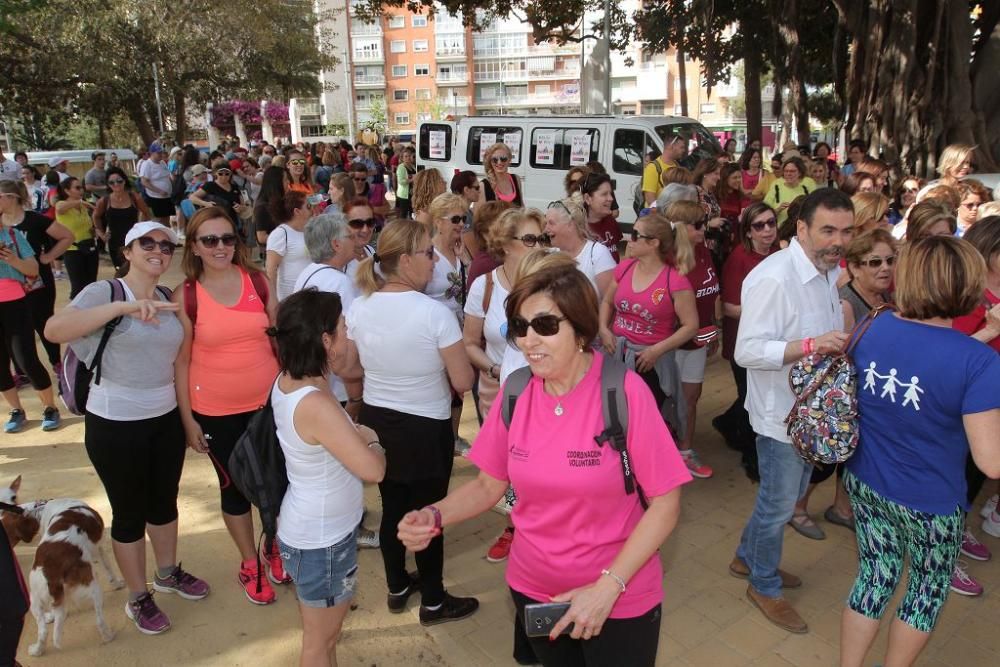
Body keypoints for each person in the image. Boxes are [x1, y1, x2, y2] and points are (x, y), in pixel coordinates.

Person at [398, 261, 692, 666]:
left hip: (618, 595)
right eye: (520, 327)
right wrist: (433, 515)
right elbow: (488, 485)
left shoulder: (623, 393)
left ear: (582, 330)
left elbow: (665, 503)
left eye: (546, 326)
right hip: (534, 589)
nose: (529, 340)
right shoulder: (516, 393)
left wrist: (606, 589)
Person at [840, 236, 1000, 667]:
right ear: (968, 284)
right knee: (925, 591)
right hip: (931, 500)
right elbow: (991, 462)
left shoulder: (873, 325)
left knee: (874, 577)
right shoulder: (979, 362)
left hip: (866, 480)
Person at [45, 222, 210, 636]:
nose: (158, 250)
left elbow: (178, 366)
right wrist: (125, 308)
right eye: (147, 244)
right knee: (130, 513)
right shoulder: (106, 293)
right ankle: (138, 597)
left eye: (165, 245)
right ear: (128, 250)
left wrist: (188, 422)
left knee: (164, 502)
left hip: (164, 419)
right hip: (115, 423)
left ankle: (168, 573)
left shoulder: (167, 298)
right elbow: (54, 330)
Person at [733, 188, 855, 633]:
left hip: (811, 413)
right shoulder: (773, 278)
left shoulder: (826, 269)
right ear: (801, 228)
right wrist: (811, 345)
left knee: (781, 498)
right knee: (779, 503)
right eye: (827, 230)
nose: (837, 241)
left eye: (845, 231)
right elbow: (746, 350)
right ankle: (763, 584)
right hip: (779, 415)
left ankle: (747, 559)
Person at [346, 219, 477, 627]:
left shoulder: (360, 305)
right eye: (427, 252)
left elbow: (351, 367)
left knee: (392, 509)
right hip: (425, 426)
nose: (434, 259)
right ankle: (435, 602)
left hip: (377, 422)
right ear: (405, 260)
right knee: (428, 516)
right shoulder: (434, 314)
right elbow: (463, 381)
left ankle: (397, 585)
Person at [172, 208, 284, 606]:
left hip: (268, 405)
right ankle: (249, 562)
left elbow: (279, 338)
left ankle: (274, 547)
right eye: (210, 240)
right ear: (194, 247)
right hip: (215, 410)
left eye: (228, 238)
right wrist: (187, 421)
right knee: (234, 488)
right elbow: (181, 362)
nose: (221, 247)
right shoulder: (185, 295)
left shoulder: (258, 281)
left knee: (277, 481)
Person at [269, 289, 386, 667]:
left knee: (326, 639)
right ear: (325, 340)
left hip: (315, 531)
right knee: (320, 642)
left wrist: (353, 432)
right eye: (342, 328)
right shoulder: (315, 402)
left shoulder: (291, 380)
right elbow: (373, 470)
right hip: (323, 542)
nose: (347, 336)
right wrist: (372, 439)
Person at [463, 208, 548, 563]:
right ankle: (516, 527)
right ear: (505, 244)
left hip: (547, 396)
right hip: (499, 395)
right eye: (529, 239)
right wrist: (497, 370)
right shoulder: (485, 287)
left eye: (542, 239)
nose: (538, 246)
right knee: (509, 470)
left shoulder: (551, 284)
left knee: (543, 469)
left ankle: (541, 529)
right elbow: (469, 342)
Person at [598, 207, 700, 464]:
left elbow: (691, 326)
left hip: (649, 363)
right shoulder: (625, 267)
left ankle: (644, 470)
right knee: (611, 414)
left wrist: (656, 350)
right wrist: (603, 329)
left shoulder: (674, 281)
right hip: (615, 354)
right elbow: (608, 302)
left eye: (635, 234)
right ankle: (616, 466)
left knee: (643, 423)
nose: (629, 239)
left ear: (653, 243)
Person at [951, 217, 1000, 594]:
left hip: (993, 397)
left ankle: (959, 525)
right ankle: (942, 554)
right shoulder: (964, 294)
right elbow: (949, 358)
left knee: (975, 477)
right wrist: (990, 328)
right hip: (965, 402)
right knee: (959, 472)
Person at [714, 203, 780, 478]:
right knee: (751, 397)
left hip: (772, 339)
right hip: (744, 339)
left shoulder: (779, 254)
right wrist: (765, 310)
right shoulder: (739, 258)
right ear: (748, 232)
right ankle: (752, 458)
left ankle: (726, 422)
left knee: (754, 395)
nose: (767, 230)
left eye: (771, 223)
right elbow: (728, 307)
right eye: (759, 225)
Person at [0, 183, 63, 433]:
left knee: (26, 359)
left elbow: (34, 269)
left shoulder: (12, 236)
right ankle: (16, 410)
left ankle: (50, 407)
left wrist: (13, 260)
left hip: (14, 302)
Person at [665, 201, 720, 479]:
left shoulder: (705, 253)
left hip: (697, 342)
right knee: (667, 399)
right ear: (682, 228)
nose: (703, 229)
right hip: (669, 344)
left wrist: (712, 334)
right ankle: (662, 453)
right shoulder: (665, 258)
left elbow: (710, 298)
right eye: (698, 225)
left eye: (704, 223)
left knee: (691, 397)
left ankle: (685, 451)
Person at [544, 197, 615, 299]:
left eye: (551, 223)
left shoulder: (597, 254)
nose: (546, 229)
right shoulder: (549, 255)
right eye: (546, 223)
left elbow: (610, 302)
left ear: (570, 225)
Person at [93, 166, 151, 270]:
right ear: (108, 184)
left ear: (124, 181)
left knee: (136, 270)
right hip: (115, 243)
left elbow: (146, 213)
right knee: (121, 271)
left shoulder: (134, 197)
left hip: (133, 240)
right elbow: (96, 216)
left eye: (119, 181)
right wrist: (101, 233)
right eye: (112, 182)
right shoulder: (105, 200)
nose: (116, 184)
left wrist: (140, 229)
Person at [54, 176, 98, 298]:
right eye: (77, 188)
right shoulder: (62, 204)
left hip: (89, 247)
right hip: (73, 250)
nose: (81, 191)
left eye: (81, 188)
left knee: (91, 283)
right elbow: (59, 208)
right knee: (78, 286)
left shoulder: (83, 207)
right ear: (67, 191)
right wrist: (80, 202)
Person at [265, 190, 313, 301]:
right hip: (290, 298)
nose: (312, 209)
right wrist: (272, 300)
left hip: (310, 296)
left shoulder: (308, 231)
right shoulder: (281, 233)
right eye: (308, 206)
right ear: (297, 211)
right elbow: (271, 269)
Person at [188, 164, 247, 231]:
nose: (224, 176)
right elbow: (192, 197)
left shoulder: (235, 187)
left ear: (230, 174)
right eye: (220, 173)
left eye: (227, 174)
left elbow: (244, 205)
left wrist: (240, 208)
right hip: (215, 224)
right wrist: (206, 204)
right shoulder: (210, 185)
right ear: (216, 174)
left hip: (233, 224)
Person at [581, 172, 622, 262]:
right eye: (604, 194)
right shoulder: (577, 229)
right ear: (587, 198)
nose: (611, 199)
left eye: (611, 194)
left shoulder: (611, 222)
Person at [764, 157, 814, 227]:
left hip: (799, 231)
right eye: (786, 171)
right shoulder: (776, 187)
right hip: (779, 230)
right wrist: (778, 209)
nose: (788, 174)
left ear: (799, 173)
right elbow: (764, 213)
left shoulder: (805, 190)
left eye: (792, 171)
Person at [139, 145, 175, 232]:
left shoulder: (162, 162)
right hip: (156, 197)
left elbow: (167, 175)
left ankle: (168, 236)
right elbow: (144, 182)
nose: (160, 154)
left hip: (166, 196)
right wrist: (159, 191)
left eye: (161, 153)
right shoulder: (147, 164)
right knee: (159, 220)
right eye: (158, 153)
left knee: (167, 218)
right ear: (152, 153)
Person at [643, 134, 685, 205]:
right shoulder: (652, 167)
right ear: (672, 146)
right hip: (658, 214)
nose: (684, 150)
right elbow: (650, 199)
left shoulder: (677, 166)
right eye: (682, 147)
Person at [350, 161, 390, 227]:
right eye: (357, 179)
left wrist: (369, 209)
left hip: (375, 229)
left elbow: (387, 208)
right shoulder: (347, 192)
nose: (360, 182)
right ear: (351, 178)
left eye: (363, 179)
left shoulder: (375, 190)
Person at [394, 146, 416, 220]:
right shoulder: (401, 167)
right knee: (403, 214)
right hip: (403, 195)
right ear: (402, 158)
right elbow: (401, 181)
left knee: (412, 213)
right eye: (406, 156)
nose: (408, 158)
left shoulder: (412, 166)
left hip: (411, 194)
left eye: (409, 156)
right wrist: (412, 179)